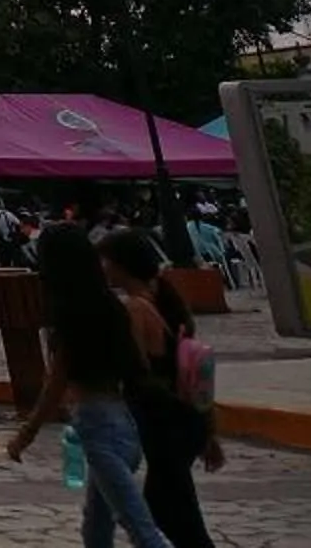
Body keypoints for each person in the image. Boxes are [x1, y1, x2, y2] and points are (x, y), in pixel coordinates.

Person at [6, 224, 174, 548]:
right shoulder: (112, 308)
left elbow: (55, 383)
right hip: (124, 423)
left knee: (141, 529)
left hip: (97, 427)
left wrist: (26, 434)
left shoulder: (71, 315)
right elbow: (137, 363)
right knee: (96, 529)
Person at [100, 231, 221, 548]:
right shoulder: (160, 304)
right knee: (175, 512)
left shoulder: (135, 309)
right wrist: (209, 432)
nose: (103, 268)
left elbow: (134, 370)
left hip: (164, 424)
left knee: (174, 517)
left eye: (106, 261)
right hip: (181, 423)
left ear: (121, 266)